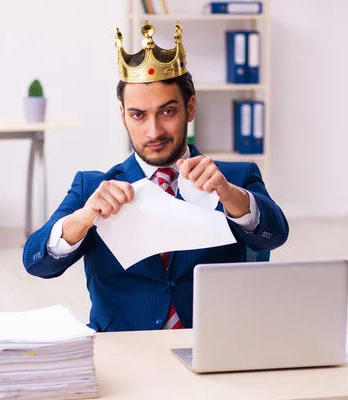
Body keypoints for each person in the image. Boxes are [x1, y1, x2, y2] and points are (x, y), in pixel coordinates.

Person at [22, 21, 289, 332]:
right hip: (124, 349)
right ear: (123, 116)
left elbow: (276, 234)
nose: (154, 131)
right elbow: (36, 263)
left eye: (167, 112)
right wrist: (83, 219)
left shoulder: (235, 177)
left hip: (212, 343)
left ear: (190, 108)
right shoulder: (93, 187)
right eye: (138, 115)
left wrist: (230, 195)